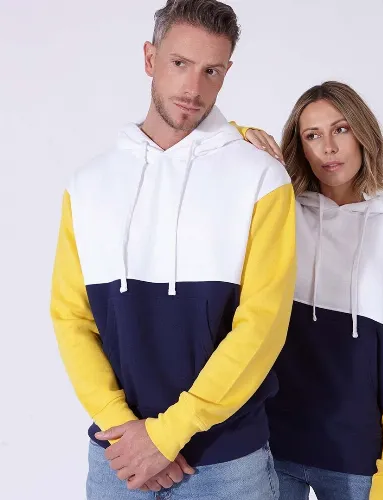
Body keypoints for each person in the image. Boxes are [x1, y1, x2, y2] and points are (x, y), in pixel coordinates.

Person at [49, 1, 296, 499]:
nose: (193, 88)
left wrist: (166, 436)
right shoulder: (89, 184)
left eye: (211, 71)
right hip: (119, 460)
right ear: (150, 58)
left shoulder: (261, 178)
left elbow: (262, 326)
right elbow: (71, 318)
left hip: (228, 465)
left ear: (227, 73)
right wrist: (125, 430)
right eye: (180, 63)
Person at [232, 81, 383, 500]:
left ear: (362, 133)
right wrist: (244, 132)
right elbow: (207, 144)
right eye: (312, 135)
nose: (328, 147)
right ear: (299, 147)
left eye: (341, 129)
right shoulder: (280, 213)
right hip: (270, 445)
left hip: (355, 456)